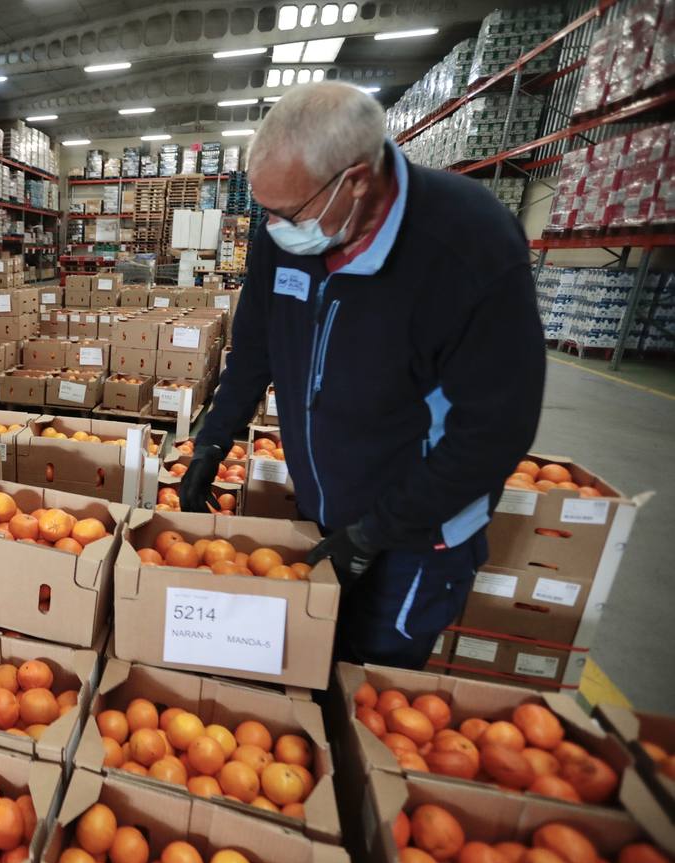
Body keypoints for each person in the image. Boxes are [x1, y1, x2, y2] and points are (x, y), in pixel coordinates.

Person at [180, 81, 545, 669]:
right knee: (307, 667)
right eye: (263, 210)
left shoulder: (466, 244)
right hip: (327, 511)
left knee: (370, 684)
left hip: (419, 537)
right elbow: (254, 349)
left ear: (353, 182)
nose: (273, 228)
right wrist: (212, 442)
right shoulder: (288, 235)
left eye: (286, 213)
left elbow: (496, 429)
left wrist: (378, 530)